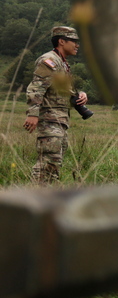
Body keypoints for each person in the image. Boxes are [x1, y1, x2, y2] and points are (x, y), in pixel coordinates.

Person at [23, 26, 89, 184]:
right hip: (49, 120)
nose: (77, 45)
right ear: (61, 41)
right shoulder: (49, 61)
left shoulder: (62, 63)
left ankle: (46, 195)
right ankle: (36, 195)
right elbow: (36, 88)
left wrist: (80, 94)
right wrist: (33, 114)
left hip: (59, 120)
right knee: (47, 163)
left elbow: (62, 91)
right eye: (74, 41)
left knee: (54, 164)